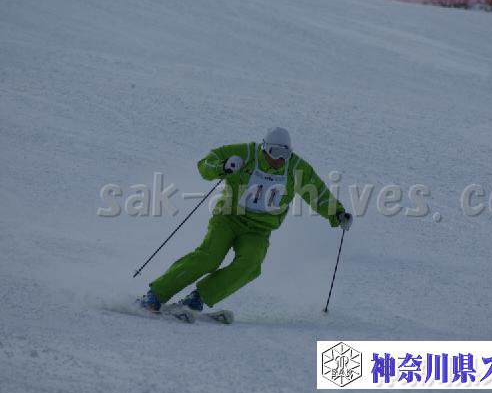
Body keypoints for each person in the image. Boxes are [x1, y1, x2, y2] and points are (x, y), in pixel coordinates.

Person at [140, 127, 353, 311]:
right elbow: (206, 164)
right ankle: (156, 294)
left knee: (251, 263)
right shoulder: (246, 153)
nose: (279, 159)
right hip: (229, 218)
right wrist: (223, 166)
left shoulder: (296, 168)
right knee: (210, 257)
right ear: (264, 148)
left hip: (259, 229)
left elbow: (317, 193)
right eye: (274, 152)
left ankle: (198, 298)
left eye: (285, 154)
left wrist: (337, 213)